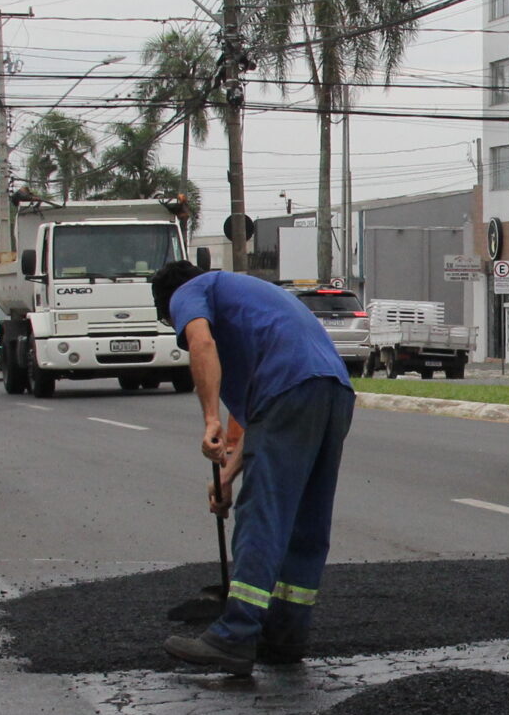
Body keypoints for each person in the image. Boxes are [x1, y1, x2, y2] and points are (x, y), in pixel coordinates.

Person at [150, 260, 355, 674]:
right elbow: (266, 423)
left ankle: (235, 634)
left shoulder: (188, 292)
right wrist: (227, 475)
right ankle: (285, 636)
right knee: (304, 523)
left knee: (262, 514)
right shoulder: (250, 300)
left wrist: (211, 421)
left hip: (290, 391)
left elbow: (202, 345)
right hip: (333, 392)